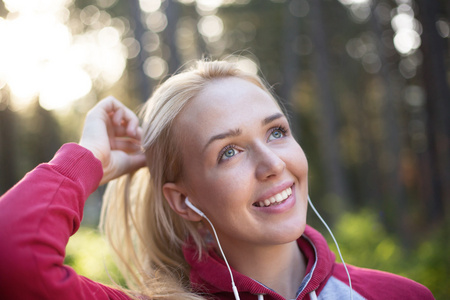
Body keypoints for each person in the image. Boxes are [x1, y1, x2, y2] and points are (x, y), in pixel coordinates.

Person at [0, 60, 434, 300]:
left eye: (276, 132)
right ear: (183, 200)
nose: (272, 164)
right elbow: (12, 259)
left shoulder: (400, 296)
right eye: (229, 152)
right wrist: (89, 159)